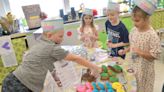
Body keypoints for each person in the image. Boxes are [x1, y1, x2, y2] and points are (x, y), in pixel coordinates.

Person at [1, 19, 101, 92]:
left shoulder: (40, 44)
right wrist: (94, 67)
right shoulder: (52, 48)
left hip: (11, 78)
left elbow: (41, 64)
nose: (62, 39)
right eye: (60, 36)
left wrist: (55, 78)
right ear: (49, 36)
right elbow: (75, 58)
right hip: (19, 86)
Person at [118, 0, 161, 92]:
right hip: (133, 66)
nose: (134, 23)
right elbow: (133, 45)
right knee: (134, 86)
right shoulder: (134, 30)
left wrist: (140, 52)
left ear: (147, 18)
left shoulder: (152, 35)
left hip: (144, 70)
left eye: (137, 21)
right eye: (133, 20)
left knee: (143, 88)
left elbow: (155, 55)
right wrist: (126, 50)